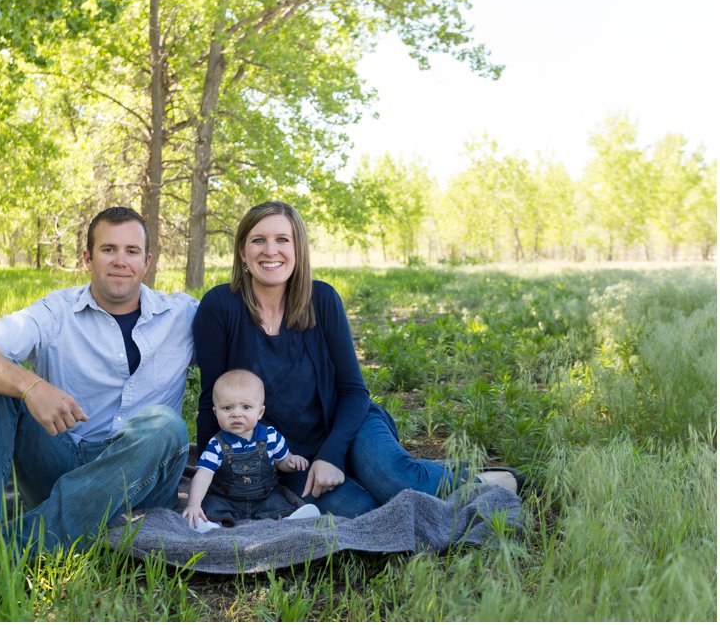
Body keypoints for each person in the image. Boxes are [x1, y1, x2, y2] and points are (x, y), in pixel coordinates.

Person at [192, 201, 523, 519]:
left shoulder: (322, 299)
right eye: (258, 240)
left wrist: (331, 455)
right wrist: (217, 486)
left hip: (350, 423)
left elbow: (353, 391)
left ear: (298, 249)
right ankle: (418, 474)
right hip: (289, 457)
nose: (270, 250)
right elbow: (213, 399)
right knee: (363, 510)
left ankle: (488, 481)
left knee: (396, 481)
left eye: (282, 239)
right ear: (242, 251)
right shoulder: (220, 307)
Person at [0, 206, 198, 552]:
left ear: (147, 261)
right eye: (108, 250)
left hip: (142, 477)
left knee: (166, 425)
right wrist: (30, 386)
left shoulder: (182, 315)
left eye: (132, 251)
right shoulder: (56, 312)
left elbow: (244, 340)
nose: (120, 261)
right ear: (87, 258)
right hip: (62, 459)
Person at [182, 369, 312, 529]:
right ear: (216, 412)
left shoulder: (271, 437)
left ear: (260, 412)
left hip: (264, 497)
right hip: (227, 498)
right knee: (212, 505)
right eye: (227, 408)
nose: (236, 414)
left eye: (246, 407)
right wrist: (194, 504)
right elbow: (203, 476)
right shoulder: (216, 444)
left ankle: (288, 521)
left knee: (278, 502)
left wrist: (291, 462)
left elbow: (281, 462)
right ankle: (210, 524)